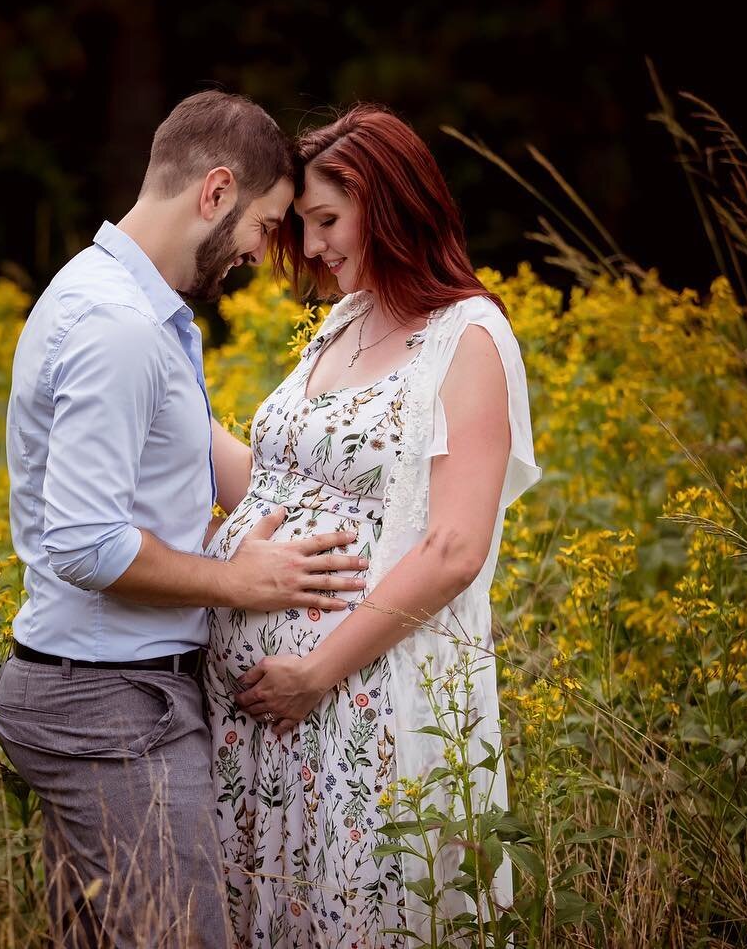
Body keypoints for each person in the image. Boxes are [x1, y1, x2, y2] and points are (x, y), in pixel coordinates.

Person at [0, 90, 371, 948]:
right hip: (108, 706)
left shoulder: (133, 311)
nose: (260, 252)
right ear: (214, 191)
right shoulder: (118, 327)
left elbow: (209, 472)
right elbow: (87, 541)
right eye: (263, 224)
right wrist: (239, 580)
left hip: (104, 692)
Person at [203, 103, 542, 947]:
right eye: (305, 225)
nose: (311, 247)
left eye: (326, 220)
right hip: (268, 718)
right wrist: (170, 401)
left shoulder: (469, 336)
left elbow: (455, 548)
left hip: (359, 700)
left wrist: (315, 670)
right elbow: (278, 483)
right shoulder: (346, 321)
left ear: (388, 203)